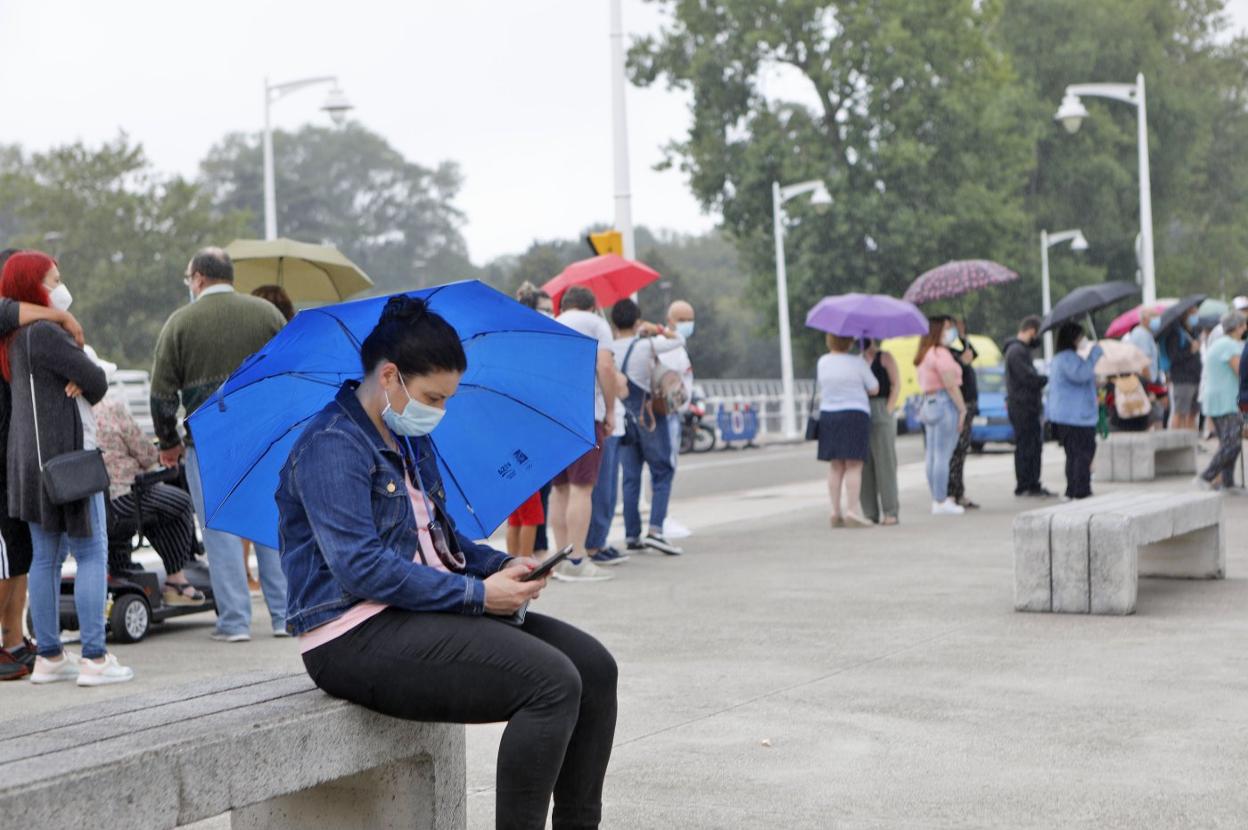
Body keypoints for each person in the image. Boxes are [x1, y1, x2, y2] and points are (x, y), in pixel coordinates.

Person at [278, 296, 617, 830]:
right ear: (390, 376)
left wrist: (500, 566)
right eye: (433, 396)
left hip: (417, 612)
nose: (439, 409)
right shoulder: (331, 445)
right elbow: (361, 567)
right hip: (351, 636)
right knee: (552, 683)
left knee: (595, 668)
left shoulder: (407, 439)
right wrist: (480, 596)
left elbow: (438, 539)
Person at [1, 251, 134, 685]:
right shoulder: (46, 333)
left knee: (44, 557)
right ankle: (95, 657)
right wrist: (88, 370)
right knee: (92, 551)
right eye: (54, 278)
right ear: (34, 286)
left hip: (29, 463)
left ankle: (51, 655)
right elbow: (95, 383)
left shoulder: (16, 340)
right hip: (68, 460)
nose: (61, 286)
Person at [151, 247, 289, 641]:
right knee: (271, 520)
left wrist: (168, 441)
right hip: (264, 437)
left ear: (198, 278)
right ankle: (284, 616)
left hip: (208, 441)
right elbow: (288, 372)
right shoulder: (267, 315)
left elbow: (162, 394)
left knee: (220, 528)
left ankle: (234, 622)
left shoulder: (180, 323)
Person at [0, 248, 86, 681]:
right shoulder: (12, 320)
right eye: (51, 280)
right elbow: (7, 308)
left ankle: (14, 641)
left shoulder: (25, 334)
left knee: (20, 555)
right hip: (7, 458)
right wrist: (61, 318)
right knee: (7, 557)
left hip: (12, 458)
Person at [95, 374, 204, 605]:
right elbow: (144, 452)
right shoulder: (110, 408)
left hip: (93, 502)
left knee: (153, 502)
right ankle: (176, 578)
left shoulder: (71, 413)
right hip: (124, 495)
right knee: (179, 503)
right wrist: (162, 454)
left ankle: (120, 565)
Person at [549, 285, 617, 582]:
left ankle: (560, 558)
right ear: (591, 306)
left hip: (553, 415)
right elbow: (605, 366)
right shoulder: (596, 324)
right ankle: (578, 558)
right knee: (582, 488)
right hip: (585, 413)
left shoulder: (550, 325)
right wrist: (611, 409)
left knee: (560, 488)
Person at [610, 298, 686, 555]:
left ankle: (632, 535)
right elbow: (679, 340)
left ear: (613, 323)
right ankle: (655, 530)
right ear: (637, 321)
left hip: (622, 420)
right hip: (649, 419)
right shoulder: (645, 345)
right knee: (662, 471)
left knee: (630, 479)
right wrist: (657, 329)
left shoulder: (607, 348)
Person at [816, 334, 878, 527]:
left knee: (836, 466)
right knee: (854, 465)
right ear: (849, 342)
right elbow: (874, 387)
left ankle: (835, 511)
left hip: (829, 414)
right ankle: (852, 510)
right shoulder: (857, 363)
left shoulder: (823, 362)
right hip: (854, 414)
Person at [1046, 323, 1104, 500]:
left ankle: (1073, 489)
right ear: (1072, 338)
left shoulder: (1064, 358)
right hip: (1075, 417)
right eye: (1080, 336)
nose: (1083, 340)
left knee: (1074, 455)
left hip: (1072, 416)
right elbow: (1081, 375)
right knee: (1082, 454)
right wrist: (1095, 354)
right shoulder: (1067, 358)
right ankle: (1080, 491)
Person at [916, 317, 968, 515]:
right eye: (947, 328)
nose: (951, 331)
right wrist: (962, 409)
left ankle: (936, 498)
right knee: (943, 455)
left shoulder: (925, 353)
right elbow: (950, 384)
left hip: (929, 402)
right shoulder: (941, 354)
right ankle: (940, 499)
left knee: (932, 455)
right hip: (944, 402)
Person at [1195, 311, 1245, 490]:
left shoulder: (1222, 344)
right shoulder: (1229, 346)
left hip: (1220, 399)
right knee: (1232, 444)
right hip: (1226, 401)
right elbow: (1241, 371)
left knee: (1230, 443)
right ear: (1238, 327)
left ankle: (1227, 481)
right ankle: (1207, 476)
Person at [1003, 316, 1052, 497]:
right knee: (1026, 447)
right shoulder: (1016, 351)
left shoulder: (1020, 350)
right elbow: (1027, 378)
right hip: (1022, 407)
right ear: (1031, 330)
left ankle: (1032, 483)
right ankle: (1026, 484)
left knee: (1033, 446)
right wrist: (1043, 379)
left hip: (1027, 406)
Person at [859, 339, 900, 525]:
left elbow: (895, 384)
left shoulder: (884, 358)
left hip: (881, 408)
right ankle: (869, 511)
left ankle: (890, 510)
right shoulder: (856, 361)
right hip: (860, 410)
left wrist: (889, 409)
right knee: (864, 464)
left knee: (885, 462)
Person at [946, 318, 980, 509]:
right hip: (961, 405)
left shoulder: (955, 351)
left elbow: (972, 354)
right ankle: (952, 491)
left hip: (969, 404)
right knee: (956, 452)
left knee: (962, 452)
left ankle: (959, 491)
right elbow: (956, 374)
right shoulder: (946, 354)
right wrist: (962, 363)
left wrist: (962, 337)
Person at [1164, 307, 1203, 431]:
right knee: (1180, 412)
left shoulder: (1194, 332)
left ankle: (1191, 442)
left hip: (1195, 377)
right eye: (1192, 314)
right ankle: (1175, 440)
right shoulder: (1175, 333)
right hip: (1182, 379)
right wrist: (1190, 350)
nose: (1195, 317)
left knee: (1193, 413)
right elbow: (1174, 357)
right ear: (1185, 315)